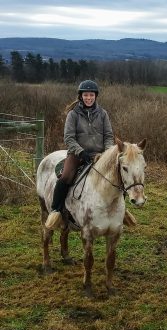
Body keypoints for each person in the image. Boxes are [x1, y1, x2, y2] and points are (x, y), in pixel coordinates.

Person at [45, 79, 114, 230]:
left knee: (116, 177)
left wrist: (108, 153)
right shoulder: (73, 114)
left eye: (91, 95)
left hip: (100, 155)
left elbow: (108, 135)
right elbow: (69, 138)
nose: (88, 98)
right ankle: (56, 211)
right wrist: (81, 152)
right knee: (65, 178)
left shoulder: (103, 114)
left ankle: (120, 211)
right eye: (85, 95)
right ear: (80, 96)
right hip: (77, 155)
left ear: (95, 96)